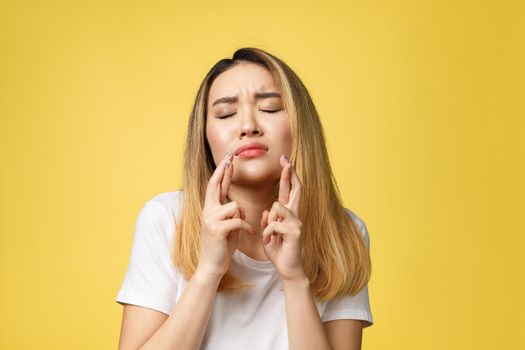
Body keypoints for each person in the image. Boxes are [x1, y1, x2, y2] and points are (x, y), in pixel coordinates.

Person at [116, 47, 374, 350]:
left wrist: (294, 280)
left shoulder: (343, 233)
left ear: (299, 126)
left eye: (270, 109)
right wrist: (208, 272)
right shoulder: (165, 218)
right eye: (226, 113)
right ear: (204, 136)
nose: (248, 126)